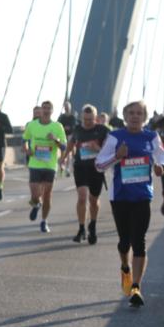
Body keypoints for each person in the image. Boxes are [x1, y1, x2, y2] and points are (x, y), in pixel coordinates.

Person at [95, 100, 164, 307]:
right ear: (125, 117)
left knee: (139, 241)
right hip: (120, 196)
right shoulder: (115, 137)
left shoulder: (151, 137)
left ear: (144, 118)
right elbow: (99, 165)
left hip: (142, 196)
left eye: (139, 113)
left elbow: (162, 157)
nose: (135, 116)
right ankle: (125, 267)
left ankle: (136, 287)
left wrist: (160, 167)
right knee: (124, 241)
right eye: (131, 113)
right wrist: (117, 157)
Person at [60, 104, 109, 244]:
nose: (87, 122)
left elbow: (109, 152)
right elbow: (71, 143)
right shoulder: (77, 129)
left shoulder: (102, 130)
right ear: (81, 117)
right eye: (85, 119)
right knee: (82, 197)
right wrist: (63, 158)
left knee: (93, 200)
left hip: (96, 169)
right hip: (81, 167)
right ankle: (81, 229)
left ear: (96, 118)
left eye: (90, 119)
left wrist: (97, 148)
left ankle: (92, 225)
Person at [22, 100, 66, 233]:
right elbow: (24, 139)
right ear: (41, 110)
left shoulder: (58, 126)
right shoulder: (32, 125)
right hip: (35, 164)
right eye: (44, 108)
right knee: (35, 194)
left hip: (50, 165)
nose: (46, 110)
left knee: (47, 195)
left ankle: (44, 221)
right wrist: (27, 149)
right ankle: (36, 204)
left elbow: (63, 146)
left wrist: (55, 139)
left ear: (52, 111)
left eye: (49, 108)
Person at [56, 101, 77, 177]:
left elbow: (74, 126)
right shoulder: (61, 117)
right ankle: (62, 167)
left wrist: (69, 128)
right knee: (62, 152)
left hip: (70, 136)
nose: (66, 108)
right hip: (63, 136)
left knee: (69, 153)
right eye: (65, 106)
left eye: (68, 106)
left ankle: (68, 168)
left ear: (70, 107)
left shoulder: (73, 117)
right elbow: (58, 125)